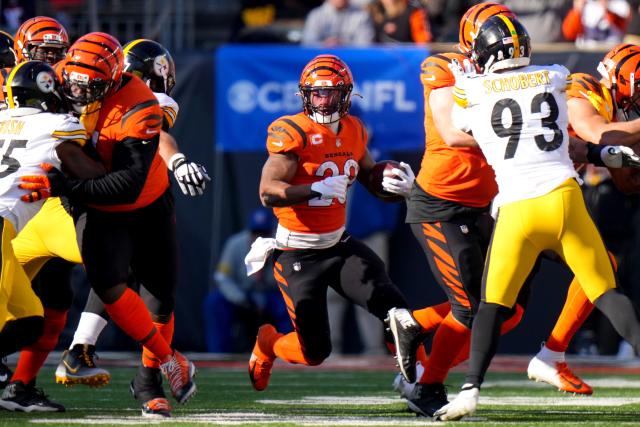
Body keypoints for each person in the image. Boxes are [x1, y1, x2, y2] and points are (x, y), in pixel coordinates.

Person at [387, 3, 640, 417]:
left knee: (504, 311)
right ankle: (426, 369)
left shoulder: (484, 88)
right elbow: (452, 131)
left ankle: (512, 368)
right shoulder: (458, 70)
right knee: (476, 307)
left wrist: (579, 145)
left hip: (501, 204)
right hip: (448, 201)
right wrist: (566, 141)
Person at [14, 32, 197, 416]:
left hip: (141, 203)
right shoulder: (58, 77)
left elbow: (127, 186)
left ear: (113, 79)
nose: (78, 95)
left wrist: (63, 184)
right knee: (109, 287)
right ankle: (152, 359)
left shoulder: (141, 107)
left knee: (159, 300)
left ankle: (148, 383)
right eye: (72, 85)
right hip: (82, 202)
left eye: (90, 87)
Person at [244, 53, 422, 392]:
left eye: (331, 93)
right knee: (315, 352)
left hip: (338, 244)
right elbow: (268, 192)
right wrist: (314, 189)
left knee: (395, 307)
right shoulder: (293, 131)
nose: (324, 101)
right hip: (298, 253)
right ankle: (268, 343)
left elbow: (370, 176)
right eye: (317, 93)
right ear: (305, 96)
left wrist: (396, 186)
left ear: (347, 94)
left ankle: (421, 381)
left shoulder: (354, 129)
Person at [0, 60, 105, 412]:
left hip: (8, 235)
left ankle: (16, 387)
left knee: (29, 322)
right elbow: (93, 174)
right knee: (25, 324)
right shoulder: (57, 125)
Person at [203, 207, 290, 353]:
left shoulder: (282, 246)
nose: (259, 238)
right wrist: (241, 298)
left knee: (289, 307)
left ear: (272, 232)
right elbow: (222, 277)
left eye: (264, 233)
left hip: (270, 296)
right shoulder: (235, 244)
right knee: (215, 303)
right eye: (256, 233)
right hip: (241, 295)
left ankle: (288, 351)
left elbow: (288, 281)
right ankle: (219, 355)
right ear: (249, 231)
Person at [301, 0, 375, 46]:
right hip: (321, 64)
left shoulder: (362, 15)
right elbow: (307, 43)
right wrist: (325, 45)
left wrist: (343, 45)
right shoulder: (315, 15)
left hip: (353, 62)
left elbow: (366, 45)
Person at [563, 0, 631, 46]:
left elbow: (624, 28)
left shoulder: (621, 4)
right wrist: (577, 11)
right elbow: (569, 34)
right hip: (586, 54)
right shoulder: (585, 4)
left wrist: (606, 10)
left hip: (612, 53)